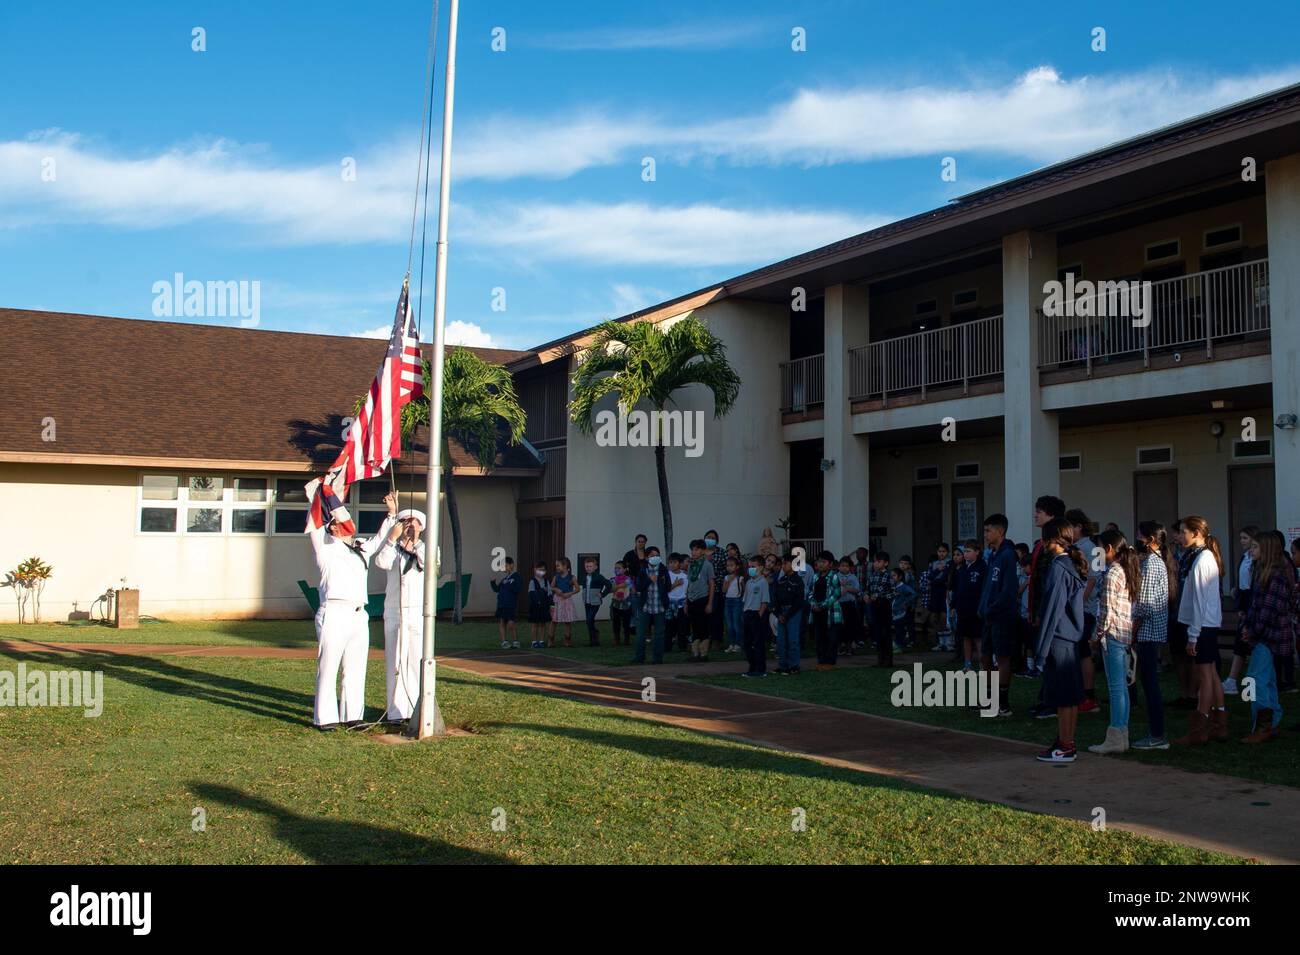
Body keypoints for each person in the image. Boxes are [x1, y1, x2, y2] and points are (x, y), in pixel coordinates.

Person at [308, 492, 395, 729]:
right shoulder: (326, 547)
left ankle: (353, 715)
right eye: (341, 521)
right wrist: (320, 493)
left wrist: (391, 514)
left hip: (358, 613)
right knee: (329, 666)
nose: (348, 524)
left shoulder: (360, 549)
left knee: (356, 667)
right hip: (334, 611)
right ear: (333, 527)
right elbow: (314, 525)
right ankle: (325, 718)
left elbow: (380, 540)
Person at [1033, 518, 1089, 763]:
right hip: (1070, 638)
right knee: (1070, 696)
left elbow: (1053, 609)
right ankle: (1066, 741)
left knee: (1064, 697)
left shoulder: (1059, 567)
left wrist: (1041, 648)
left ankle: (1066, 746)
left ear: (1049, 540)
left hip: (1059, 639)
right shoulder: (1070, 563)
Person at [1172, 516, 1226, 746]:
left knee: (1205, 676)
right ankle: (1219, 723)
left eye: (1184, 531)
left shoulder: (1203, 559)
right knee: (1211, 674)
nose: (1181, 536)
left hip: (1202, 625)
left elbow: (1199, 601)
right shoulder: (1202, 557)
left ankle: (1199, 726)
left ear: (1195, 533)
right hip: (1206, 624)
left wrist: (1193, 635)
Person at [1088, 530, 1141, 754]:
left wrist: (1097, 635)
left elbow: (1106, 610)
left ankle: (1116, 735)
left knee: (1116, 688)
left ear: (1109, 548)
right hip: (1123, 634)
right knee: (1121, 688)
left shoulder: (1113, 572)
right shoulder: (1126, 569)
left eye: (1100, 548)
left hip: (1113, 635)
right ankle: (1121, 733)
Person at [373, 501, 427, 722]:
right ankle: (395, 712)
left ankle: (414, 710)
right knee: (395, 661)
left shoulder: (427, 548)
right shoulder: (392, 548)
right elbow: (381, 562)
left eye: (414, 523)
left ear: (421, 526)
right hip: (395, 611)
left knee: (415, 661)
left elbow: (427, 564)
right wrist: (391, 539)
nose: (410, 526)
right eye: (405, 522)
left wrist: (413, 544)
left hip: (416, 611)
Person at [1240, 531, 1293, 742]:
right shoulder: (1261, 572)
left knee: (1254, 679)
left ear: (1267, 550)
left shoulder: (1275, 576)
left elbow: (1268, 610)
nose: (1251, 550)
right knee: (1266, 678)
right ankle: (1272, 721)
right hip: (1263, 634)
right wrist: (1248, 627)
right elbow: (1255, 606)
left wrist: (1252, 630)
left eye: (1255, 547)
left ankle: (1263, 724)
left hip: (1270, 636)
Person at [1130, 522, 1176, 750]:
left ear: (1150, 539)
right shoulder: (1155, 561)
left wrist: (1132, 630)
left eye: (1140, 535)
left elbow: (1145, 605)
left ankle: (1157, 734)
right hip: (1150, 631)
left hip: (1148, 632)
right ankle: (1156, 732)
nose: (1137, 538)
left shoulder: (1151, 563)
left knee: (1150, 684)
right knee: (1148, 682)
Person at [978, 514, 1019, 716]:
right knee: (985, 656)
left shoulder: (1008, 555)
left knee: (1002, 657)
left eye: (988, 530)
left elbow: (1009, 589)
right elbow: (989, 586)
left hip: (1002, 615)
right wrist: (982, 607)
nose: (985, 534)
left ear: (1000, 531)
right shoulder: (993, 555)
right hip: (988, 615)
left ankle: (1003, 702)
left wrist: (993, 607)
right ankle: (988, 698)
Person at [1067, 509, 1102, 714]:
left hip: (1086, 609)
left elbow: (1094, 579)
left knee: (1084, 652)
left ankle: (1089, 695)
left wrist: (1079, 603)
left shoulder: (1092, 548)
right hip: (1078, 607)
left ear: (1079, 527)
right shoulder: (1075, 547)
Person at [1223, 525, 1259, 696]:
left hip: (1252, 605)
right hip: (1244, 602)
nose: (1242, 541)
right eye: (1241, 538)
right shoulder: (1245, 558)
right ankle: (1233, 680)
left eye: (1245, 538)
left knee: (1248, 645)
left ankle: (1246, 683)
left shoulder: (1256, 561)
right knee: (1241, 644)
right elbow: (1242, 582)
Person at [632, 546, 670, 665]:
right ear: (647, 557)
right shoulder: (643, 570)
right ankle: (639, 657)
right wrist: (649, 580)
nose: (655, 557)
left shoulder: (663, 570)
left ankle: (657, 659)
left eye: (657, 555)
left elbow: (668, 586)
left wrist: (662, 581)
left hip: (660, 606)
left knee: (659, 634)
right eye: (652, 555)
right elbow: (638, 587)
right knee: (641, 633)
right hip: (645, 606)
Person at [953, 540, 987, 672]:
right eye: (965, 551)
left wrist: (982, 607)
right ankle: (967, 665)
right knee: (966, 637)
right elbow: (958, 588)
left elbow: (984, 590)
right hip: (963, 609)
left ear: (977, 552)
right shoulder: (963, 568)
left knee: (978, 638)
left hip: (976, 609)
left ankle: (983, 666)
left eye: (968, 551)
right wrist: (954, 605)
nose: (966, 554)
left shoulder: (982, 567)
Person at [771, 553, 806, 674]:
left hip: (793, 612)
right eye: (782, 564)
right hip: (782, 611)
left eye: (785, 563)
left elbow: (799, 601)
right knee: (781, 640)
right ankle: (783, 665)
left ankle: (794, 665)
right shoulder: (781, 580)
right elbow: (775, 598)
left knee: (792, 639)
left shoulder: (798, 581)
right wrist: (779, 613)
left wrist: (787, 615)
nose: (783, 566)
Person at [809, 550, 843, 670]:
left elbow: (836, 594)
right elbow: (810, 592)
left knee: (831, 638)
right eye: (819, 562)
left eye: (824, 562)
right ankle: (821, 661)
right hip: (817, 612)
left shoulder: (834, 576)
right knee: (819, 638)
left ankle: (830, 662)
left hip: (831, 612)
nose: (820, 564)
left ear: (830, 564)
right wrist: (813, 603)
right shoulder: (815, 576)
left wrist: (822, 605)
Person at [686, 540, 716, 662]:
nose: (694, 552)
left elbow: (712, 584)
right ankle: (695, 653)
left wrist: (710, 603)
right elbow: (689, 583)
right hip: (691, 599)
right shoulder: (691, 565)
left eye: (697, 549)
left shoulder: (707, 565)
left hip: (702, 598)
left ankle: (704, 653)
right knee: (694, 626)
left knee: (703, 626)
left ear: (703, 551)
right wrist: (686, 601)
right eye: (692, 550)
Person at [741, 555, 770, 677]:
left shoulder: (763, 582)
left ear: (761, 567)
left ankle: (760, 669)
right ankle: (752, 666)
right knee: (747, 643)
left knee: (758, 643)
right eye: (749, 567)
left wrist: (759, 615)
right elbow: (745, 599)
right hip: (748, 612)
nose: (751, 569)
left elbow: (764, 601)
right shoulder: (749, 582)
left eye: (753, 566)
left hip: (756, 613)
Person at [866, 551, 894, 666]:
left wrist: (879, 596)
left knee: (885, 632)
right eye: (875, 561)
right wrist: (866, 595)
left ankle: (888, 658)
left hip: (884, 605)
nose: (876, 564)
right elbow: (867, 589)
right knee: (877, 631)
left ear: (886, 563)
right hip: (874, 605)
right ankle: (880, 658)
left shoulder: (889, 576)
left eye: (879, 561)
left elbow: (893, 592)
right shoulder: (872, 576)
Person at [576, 557, 611, 647]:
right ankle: (592, 640)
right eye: (587, 566)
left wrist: (602, 594)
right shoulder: (585, 577)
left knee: (589, 619)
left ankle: (595, 634)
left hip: (595, 602)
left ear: (595, 567)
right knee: (589, 621)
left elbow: (609, 585)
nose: (588, 568)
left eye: (590, 566)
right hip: (587, 602)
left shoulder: (599, 577)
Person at [489, 555, 521, 650]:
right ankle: (504, 642)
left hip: (510, 604)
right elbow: (497, 589)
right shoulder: (504, 579)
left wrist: (509, 585)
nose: (504, 568)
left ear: (512, 565)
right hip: (501, 604)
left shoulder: (517, 576)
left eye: (506, 565)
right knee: (502, 622)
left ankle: (515, 641)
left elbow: (518, 589)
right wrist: (492, 582)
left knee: (511, 622)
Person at [704, 530, 728, 650]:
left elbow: (727, 568)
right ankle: (705, 639)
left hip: (717, 588)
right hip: (702, 589)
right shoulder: (700, 552)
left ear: (717, 541)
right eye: (708, 537)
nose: (710, 539)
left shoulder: (721, 552)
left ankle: (716, 639)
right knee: (704, 616)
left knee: (716, 615)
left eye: (713, 538)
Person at [549, 557, 578, 648]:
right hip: (557, 601)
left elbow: (578, 589)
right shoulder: (556, 577)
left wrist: (570, 593)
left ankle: (567, 640)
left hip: (567, 601)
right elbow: (551, 587)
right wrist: (556, 589)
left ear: (565, 566)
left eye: (558, 566)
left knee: (567, 621)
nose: (556, 567)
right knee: (554, 621)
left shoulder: (572, 577)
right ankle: (551, 640)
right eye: (556, 566)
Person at [836, 557, 861, 655]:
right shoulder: (835, 576)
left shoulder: (853, 577)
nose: (844, 568)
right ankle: (840, 646)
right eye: (842, 566)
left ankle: (849, 646)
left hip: (849, 604)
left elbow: (857, 590)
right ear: (838, 567)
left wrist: (847, 588)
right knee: (839, 625)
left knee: (850, 625)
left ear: (850, 567)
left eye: (847, 566)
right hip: (838, 604)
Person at [608, 561, 636, 647]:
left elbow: (633, 590)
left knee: (626, 623)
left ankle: (627, 639)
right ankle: (617, 639)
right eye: (615, 568)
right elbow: (610, 590)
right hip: (615, 604)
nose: (616, 570)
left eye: (619, 568)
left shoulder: (628, 579)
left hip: (626, 604)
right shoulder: (612, 579)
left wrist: (631, 586)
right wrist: (620, 585)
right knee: (616, 623)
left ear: (624, 569)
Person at [722, 556, 746, 654]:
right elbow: (724, 590)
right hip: (728, 602)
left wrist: (742, 601)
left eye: (731, 565)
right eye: (728, 566)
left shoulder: (740, 578)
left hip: (737, 601)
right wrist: (728, 581)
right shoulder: (726, 577)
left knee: (736, 624)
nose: (729, 567)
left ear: (737, 567)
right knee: (729, 625)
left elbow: (744, 591)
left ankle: (738, 644)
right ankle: (731, 644)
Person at [890, 567, 916, 654]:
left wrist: (906, 602)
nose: (892, 577)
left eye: (894, 575)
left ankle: (899, 646)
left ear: (900, 577)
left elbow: (913, 594)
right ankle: (898, 644)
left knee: (899, 630)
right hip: (894, 612)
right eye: (891, 576)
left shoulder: (904, 587)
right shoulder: (893, 587)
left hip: (900, 612)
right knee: (897, 629)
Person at [667, 553, 688, 651]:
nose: (672, 564)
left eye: (674, 562)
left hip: (681, 604)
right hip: (670, 603)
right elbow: (666, 589)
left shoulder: (684, 576)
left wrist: (686, 603)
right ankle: (667, 646)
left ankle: (682, 646)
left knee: (682, 627)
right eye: (670, 562)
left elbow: (686, 591)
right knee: (669, 626)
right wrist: (675, 584)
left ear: (679, 563)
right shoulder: (667, 575)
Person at [526, 561, 551, 648]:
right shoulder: (532, 581)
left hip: (544, 606)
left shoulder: (546, 581)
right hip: (535, 606)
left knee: (543, 624)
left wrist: (550, 604)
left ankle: (541, 641)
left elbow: (549, 593)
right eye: (539, 570)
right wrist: (541, 591)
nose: (541, 572)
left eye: (543, 570)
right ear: (535, 570)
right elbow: (531, 594)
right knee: (535, 624)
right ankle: (534, 641)